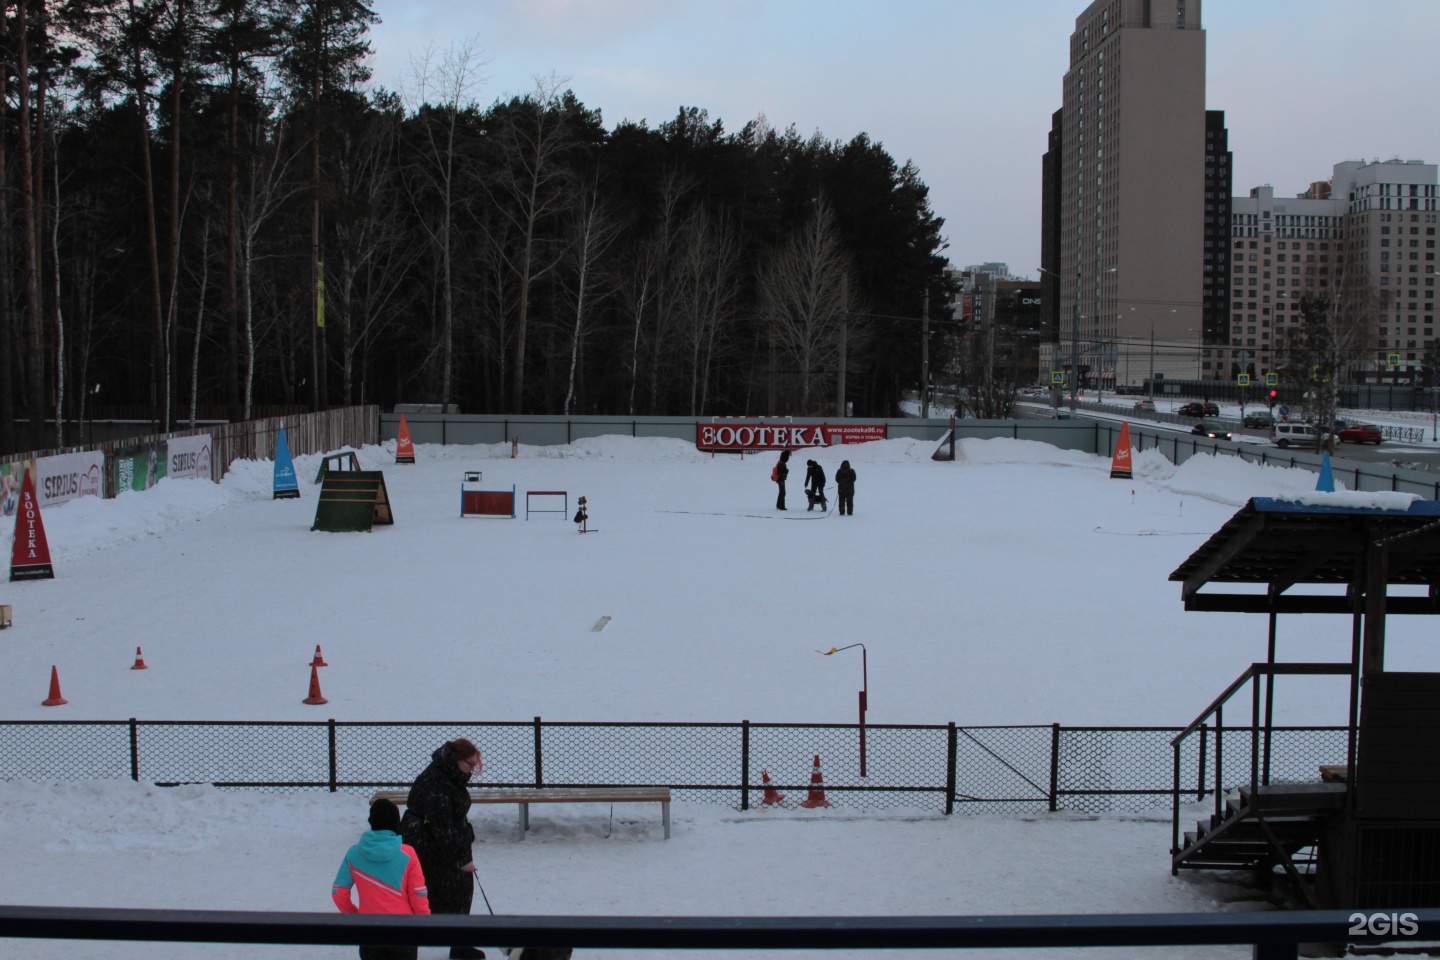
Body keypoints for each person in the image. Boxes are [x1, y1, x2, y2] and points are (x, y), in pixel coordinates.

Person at [400, 738, 485, 960]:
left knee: (460, 891)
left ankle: (460, 943)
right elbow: (441, 825)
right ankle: (408, 945)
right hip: (425, 845)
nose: (473, 769)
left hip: (444, 839)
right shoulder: (435, 782)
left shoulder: (452, 774)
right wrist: (462, 858)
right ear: (457, 759)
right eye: (470, 764)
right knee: (424, 894)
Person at [332, 798, 429, 960]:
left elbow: (338, 892)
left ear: (371, 822)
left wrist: (356, 917)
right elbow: (418, 894)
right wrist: (424, 923)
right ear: (396, 823)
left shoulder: (354, 853)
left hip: (370, 931)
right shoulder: (408, 854)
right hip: (404, 931)